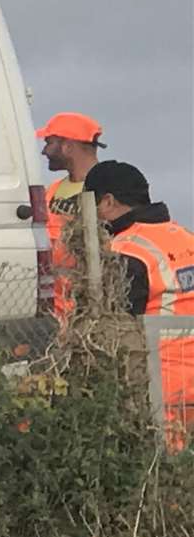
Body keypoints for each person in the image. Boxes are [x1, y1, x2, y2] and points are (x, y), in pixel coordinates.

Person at [83, 160, 194, 453]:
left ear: (107, 201)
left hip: (164, 383)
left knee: (167, 473)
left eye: (89, 206)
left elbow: (116, 327)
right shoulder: (185, 237)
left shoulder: (124, 251)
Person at [36, 112, 106, 327]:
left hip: (90, 306)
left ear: (68, 147)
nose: (44, 151)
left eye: (49, 143)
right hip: (55, 308)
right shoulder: (53, 190)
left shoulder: (108, 190)